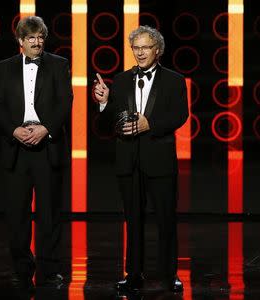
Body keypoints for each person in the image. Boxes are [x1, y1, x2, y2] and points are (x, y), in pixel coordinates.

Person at [93, 25, 189, 293]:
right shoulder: (121, 80)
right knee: (133, 220)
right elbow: (108, 120)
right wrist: (103, 102)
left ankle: (170, 275)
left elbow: (180, 115)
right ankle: (134, 274)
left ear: (157, 50)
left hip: (159, 160)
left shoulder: (174, 80)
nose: (140, 53)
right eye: (136, 48)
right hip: (128, 160)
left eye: (145, 47)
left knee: (166, 219)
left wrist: (150, 125)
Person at [0, 16, 73, 292]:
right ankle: (21, 268)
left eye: (40, 37)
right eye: (31, 38)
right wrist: (14, 130)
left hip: (47, 146)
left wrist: (45, 128)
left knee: (50, 213)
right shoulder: (5, 68)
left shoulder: (59, 65)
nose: (37, 42)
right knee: (17, 214)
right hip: (16, 147)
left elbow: (65, 102)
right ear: (20, 41)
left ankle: (50, 271)